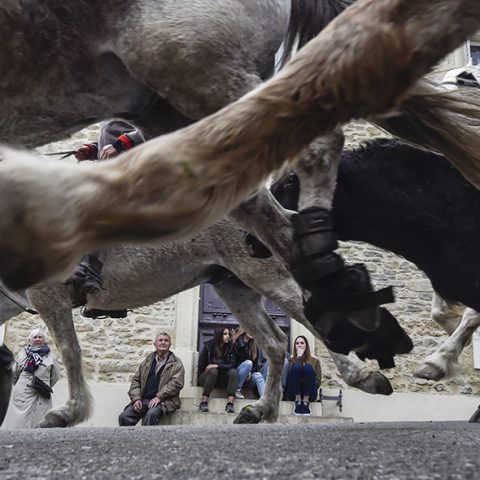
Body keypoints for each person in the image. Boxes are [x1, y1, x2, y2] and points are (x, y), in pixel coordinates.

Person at [69, 120, 146, 298]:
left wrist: (119, 145)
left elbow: (158, 130)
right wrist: (91, 150)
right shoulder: (112, 109)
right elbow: (109, 145)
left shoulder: (139, 99)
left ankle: (91, 270)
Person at [118, 332, 185, 426]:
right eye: (160, 340)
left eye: (166, 340)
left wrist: (159, 397)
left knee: (151, 414)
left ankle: (148, 440)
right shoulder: (147, 361)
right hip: (143, 400)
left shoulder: (176, 363)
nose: (163, 342)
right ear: (155, 344)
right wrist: (136, 399)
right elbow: (136, 381)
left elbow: (176, 384)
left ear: (170, 344)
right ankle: (129, 439)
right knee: (124, 416)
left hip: (164, 401)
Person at [2, 328, 59, 429]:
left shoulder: (51, 356)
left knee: (41, 418)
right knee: (20, 421)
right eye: (35, 337)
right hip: (23, 392)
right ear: (30, 340)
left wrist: (43, 384)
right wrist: (23, 383)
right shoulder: (22, 354)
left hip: (42, 391)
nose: (37, 339)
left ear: (44, 340)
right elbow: (15, 374)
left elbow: (55, 376)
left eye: (40, 337)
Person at [197, 327, 239, 413]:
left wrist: (216, 365)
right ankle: (204, 402)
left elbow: (232, 365)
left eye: (228, 334)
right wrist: (209, 369)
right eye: (225, 334)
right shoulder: (208, 346)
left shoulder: (230, 347)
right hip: (206, 377)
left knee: (234, 372)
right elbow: (201, 365)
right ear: (219, 335)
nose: (228, 336)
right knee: (213, 371)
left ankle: (230, 404)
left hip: (222, 378)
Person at [284, 335, 322, 416]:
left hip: (310, 393)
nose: (299, 345)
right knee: (296, 367)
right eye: (297, 343)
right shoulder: (290, 361)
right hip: (293, 393)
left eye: (302, 343)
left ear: (306, 346)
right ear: (294, 346)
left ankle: (305, 402)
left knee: (308, 368)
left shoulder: (315, 361)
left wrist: (307, 379)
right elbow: (288, 378)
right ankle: (298, 401)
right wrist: (298, 358)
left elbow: (318, 382)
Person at [232, 328, 267, 399]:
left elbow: (255, 366)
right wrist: (246, 371)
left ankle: (265, 400)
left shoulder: (253, 346)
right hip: (236, 376)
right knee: (248, 363)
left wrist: (250, 373)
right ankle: (237, 389)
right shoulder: (235, 343)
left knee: (258, 375)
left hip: (248, 378)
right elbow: (232, 364)